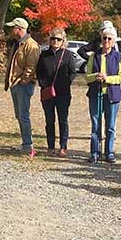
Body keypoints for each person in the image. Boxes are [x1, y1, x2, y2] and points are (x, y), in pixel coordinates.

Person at [85, 25, 121, 164]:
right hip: (95, 94)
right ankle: (94, 152)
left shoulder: (119, 56)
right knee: (96, 124)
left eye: (110, 38)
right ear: (101, 39)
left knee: (110, 126)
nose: (107, 41)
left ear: (114, 41)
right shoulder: (94, 56)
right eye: (104, 38)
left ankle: (109, 152)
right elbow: (87, 76)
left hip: (112, 95)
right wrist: (95, 76)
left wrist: (107, 78)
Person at [36, 27, 80, 156]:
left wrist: (66, 83)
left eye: (58, 39)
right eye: (53, 39)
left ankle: (63, 146)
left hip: (63, 93)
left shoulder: (67, 55)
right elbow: (39, 72)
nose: (55, 41)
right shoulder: (44, 54)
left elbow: (73, 72)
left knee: (63, 120)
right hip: (47, 92)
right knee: (49, 120)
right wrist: (43, 85)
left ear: (63, 41)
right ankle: (50, 146)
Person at [4, 16, 40, 157]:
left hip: (23, 86)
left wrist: (22, 81)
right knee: (19, 115)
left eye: (13, 27)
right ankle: (25, 143)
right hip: (16, 84)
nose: (11, 30)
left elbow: (31, 67)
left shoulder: (31, 45)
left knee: (24, 116)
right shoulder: (17, 43)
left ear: (19, 29)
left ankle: (27, 145)